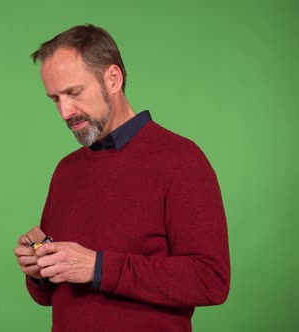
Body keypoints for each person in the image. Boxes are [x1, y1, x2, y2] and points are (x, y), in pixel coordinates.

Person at [13, 24, 230, 332]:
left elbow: (211, 280)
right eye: (54, 99)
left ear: (113, 78)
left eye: (73, 93)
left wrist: (98, 267)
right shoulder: (66, 170)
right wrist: (40, 271)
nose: (64, 111)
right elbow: (49, 296)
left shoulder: (181, 159)